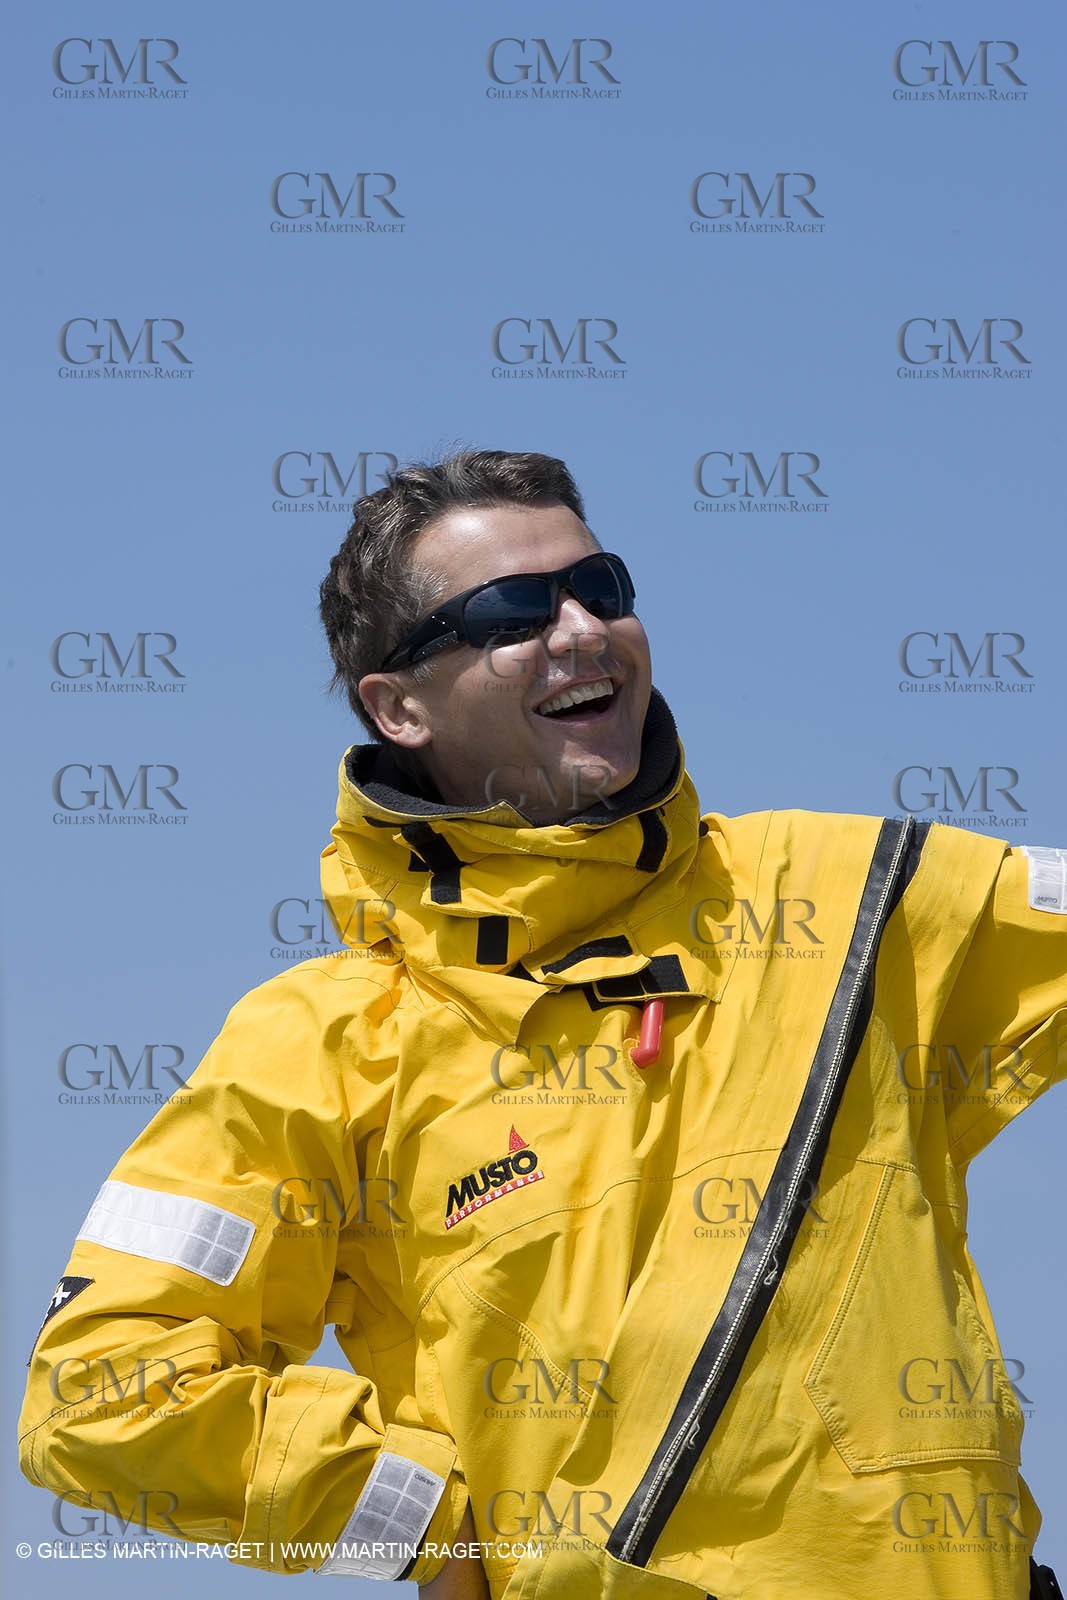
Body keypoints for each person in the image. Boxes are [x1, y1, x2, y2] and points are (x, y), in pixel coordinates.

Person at [19, 450, 1067, 1600]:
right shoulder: (316, 1044)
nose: (580, 629)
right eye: (511, 611)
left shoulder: (856, 893)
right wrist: (429, 1522)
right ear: (395, 705)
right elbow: (100, 1393)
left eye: (600, 587)